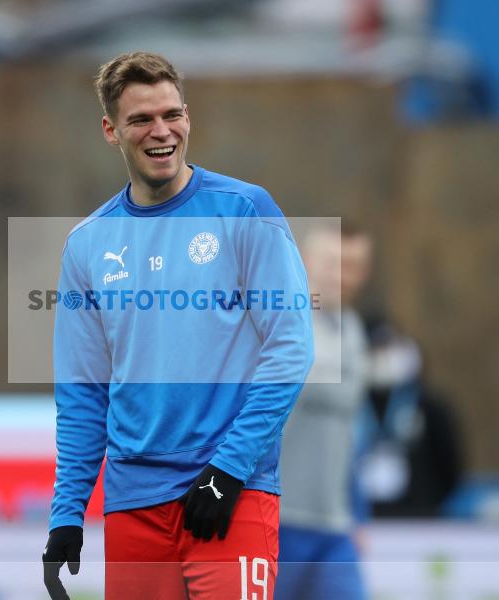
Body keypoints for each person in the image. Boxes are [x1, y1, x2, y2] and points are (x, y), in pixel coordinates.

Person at [41, 51, 314, 600]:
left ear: (188, 117)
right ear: (111, 131)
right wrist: (67, 514)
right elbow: (82, 396)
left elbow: (290, 349)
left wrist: (229, 469)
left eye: (172, 115)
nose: (160, 131)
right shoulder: (87, 244)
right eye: (141, 119)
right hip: (133, 507)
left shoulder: (243, 210)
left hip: (231, 495)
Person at [276, 224, 371, 600]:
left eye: (353, 265)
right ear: (306, 261)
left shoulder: (354, 331)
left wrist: (357, 511)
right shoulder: (281, 323)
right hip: (278, 521)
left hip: (334, 526)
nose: (343, 275)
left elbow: (349, 434)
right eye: (334, 263)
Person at [358, 317, 464, 518]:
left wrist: (430, 504)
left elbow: (450, 466)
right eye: (375, 348)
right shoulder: (349, 404)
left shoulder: (429, 406)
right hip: (361, 519)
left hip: (418, 518)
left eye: (388, 346)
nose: (382, 356)